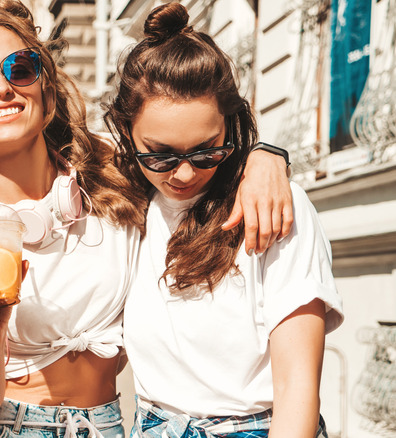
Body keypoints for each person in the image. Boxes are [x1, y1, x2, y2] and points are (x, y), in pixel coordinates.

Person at [0, 1, 292, 437]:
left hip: (102, 426)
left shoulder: (112, 172)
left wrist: (264, 157)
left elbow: (193, 150)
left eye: (20, 68)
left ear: (46, 92)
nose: (2, 87)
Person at [103, 3, 344, 437]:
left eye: (206, 151)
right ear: (125, 131)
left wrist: (268, 155)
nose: (183, 174)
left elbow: (298, 389)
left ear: (230, 129)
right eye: (159, 154)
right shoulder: (127, 200)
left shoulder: (274, 207)